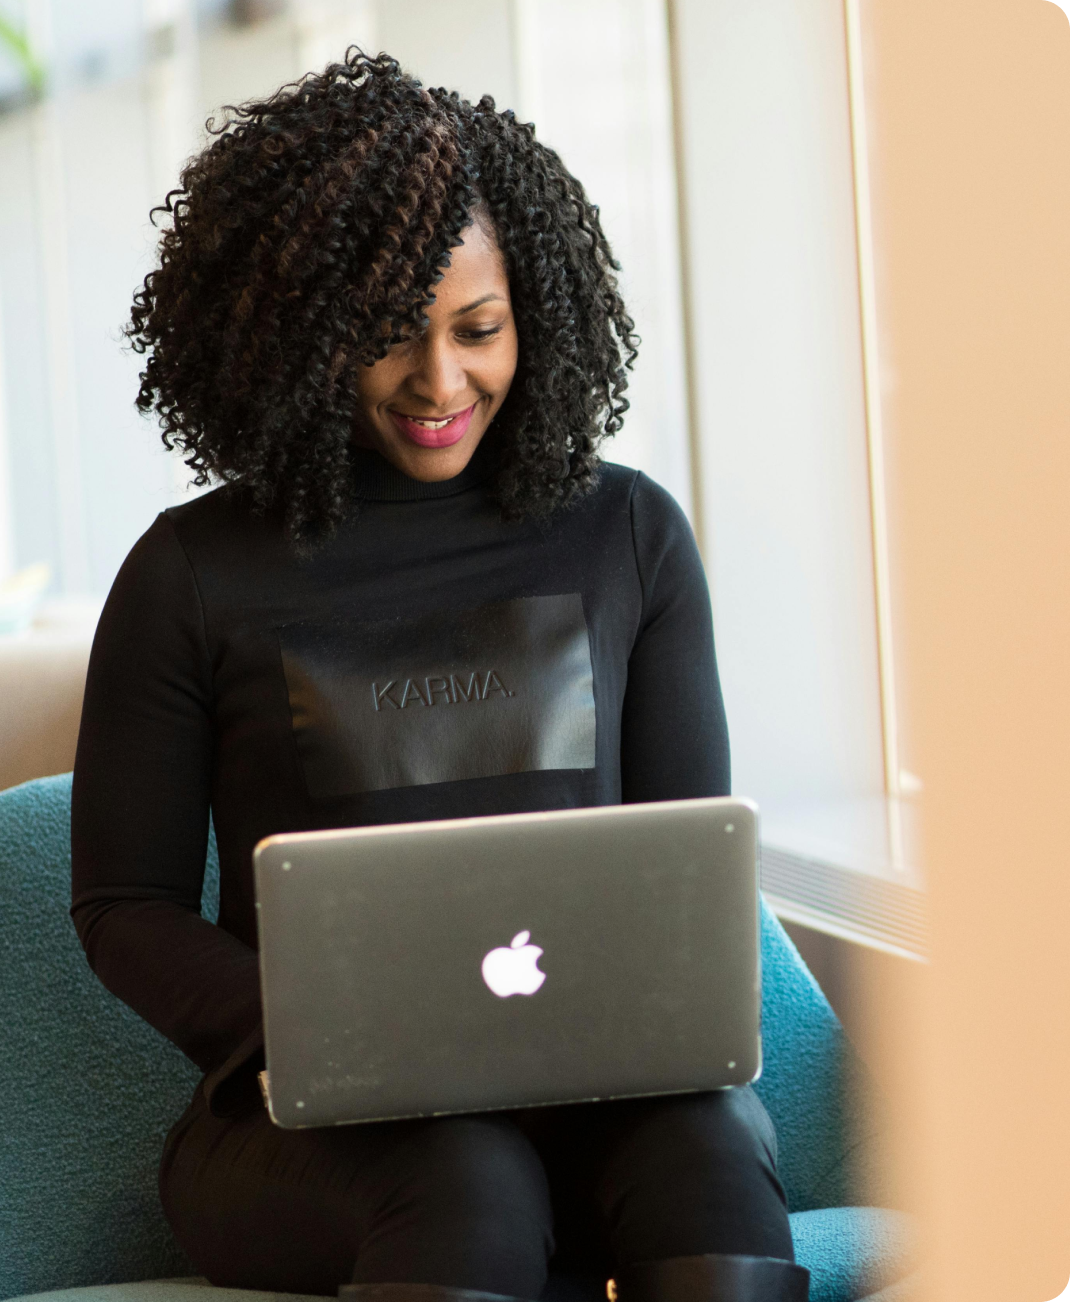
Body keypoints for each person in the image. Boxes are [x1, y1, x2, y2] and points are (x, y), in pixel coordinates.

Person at [70, 51, 808, 1302]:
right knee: (469, 1179)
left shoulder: (631, 537)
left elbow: (685, 874)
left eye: (479, 330)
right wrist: (327, 1035)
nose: (438, 383)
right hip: (311, 1135)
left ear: (536, 310)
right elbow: (123, 908)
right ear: (299, 337)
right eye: (383, 339)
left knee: (707, 1160)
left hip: (605, 1100)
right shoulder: (191, 573)